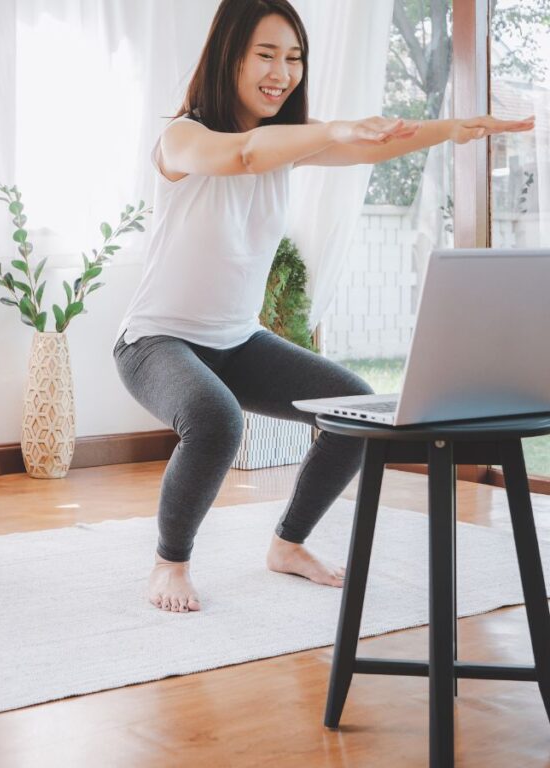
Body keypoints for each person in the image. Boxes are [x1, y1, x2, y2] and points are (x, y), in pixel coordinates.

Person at [113, 0, 535, 614]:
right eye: (266, 54)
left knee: (355, 410)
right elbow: (244, 155)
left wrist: (454, 129)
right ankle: (169, 561)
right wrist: (335, 128)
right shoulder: (182, 137)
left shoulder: (287, 145)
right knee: (216, 419)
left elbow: (366, 150)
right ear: (227, 56)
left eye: (294, 57)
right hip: (155, 341)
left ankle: (288, 544)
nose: (282, 71)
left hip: (238, 341)